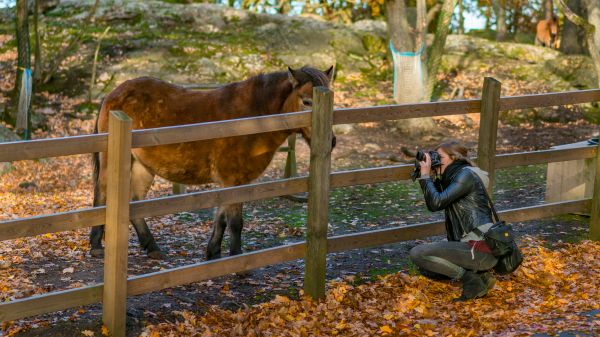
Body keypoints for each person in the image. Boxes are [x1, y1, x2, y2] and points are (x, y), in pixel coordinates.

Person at [409, 140, 498, 301]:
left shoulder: (466, 175)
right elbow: (434, 200)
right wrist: (430, 172)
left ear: (454, 157)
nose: (436, 160)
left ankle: (471, 280)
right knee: (427, 265)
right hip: (475, 248)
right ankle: (482, 277)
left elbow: (436, 203)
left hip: (479, 249)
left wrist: (425, 176)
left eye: (439, 157)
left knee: (418, 253)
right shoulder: (454, 176)